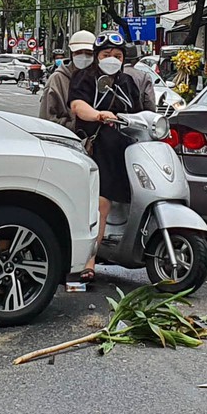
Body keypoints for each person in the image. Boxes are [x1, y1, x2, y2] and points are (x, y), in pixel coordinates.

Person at [67, 34, 148, 282]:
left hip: (127, 147)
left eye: (117, 56)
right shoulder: (84, 78)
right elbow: (77, 106)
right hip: (95, 146)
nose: (112, 60)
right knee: (101, 203)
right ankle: (88, 260)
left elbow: (140, 112)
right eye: (106, 55)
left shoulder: (128, 81)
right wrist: (99, 115)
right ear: (96, 57)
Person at [40, 32, 93, 131]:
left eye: (89, 53)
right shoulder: (57, 79)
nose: (84, 57)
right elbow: (46, 119)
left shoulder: (100, 79)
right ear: (72, 53)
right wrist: (75, 126)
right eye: (79, 52)